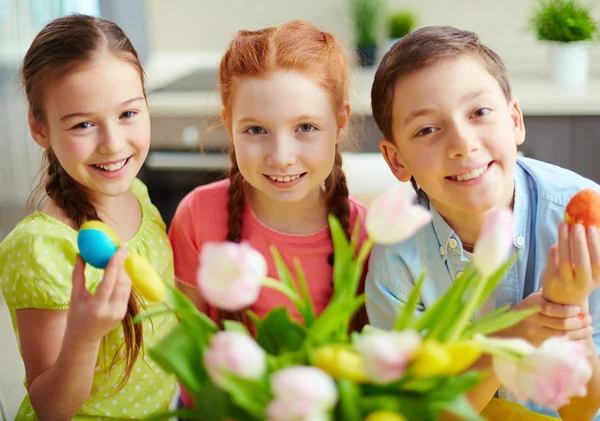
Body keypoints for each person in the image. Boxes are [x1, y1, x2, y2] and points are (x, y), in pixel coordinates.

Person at [365, 25, 600, 420]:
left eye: (479, 112)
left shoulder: (585, 221)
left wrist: (567, 305)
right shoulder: (397, 263)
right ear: (396, 160)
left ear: (514, 121)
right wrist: (515, 333)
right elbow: (426, 413)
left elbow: (585, 410)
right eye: (427, 130)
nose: (462, 144)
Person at [168, 20, 370, 410]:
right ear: (228, 124)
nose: (280, 155)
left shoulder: (366, 236)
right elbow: (188, 351)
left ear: (340, 122)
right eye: (256, 130)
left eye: (305, 127)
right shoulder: (197, 215)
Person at [0, 14, 177, 420]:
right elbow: (51, 409)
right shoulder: (40, 248)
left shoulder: (137, 193)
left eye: (128, 114)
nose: (112, 144)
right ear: (39, 128)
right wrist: (83, 336)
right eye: (83, 124)